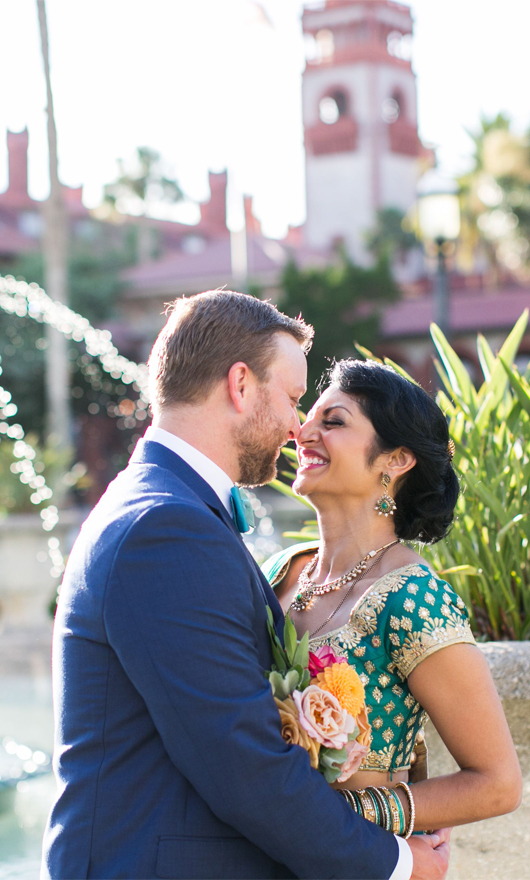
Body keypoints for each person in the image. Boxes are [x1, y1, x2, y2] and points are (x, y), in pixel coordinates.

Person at [41, 291, 450, 880]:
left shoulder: (160, 506)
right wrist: (391, 863)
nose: (296, 425)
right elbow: (242, 763)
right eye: (290, 397)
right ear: (239, 385)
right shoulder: (167, 527)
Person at [263, 358, 522, 839]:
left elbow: (497, 785)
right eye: (309, 416)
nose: (302, 431)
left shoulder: (413, 599)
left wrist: (336, 818)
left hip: (350, 862)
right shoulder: (278, 572)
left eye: (333, 421)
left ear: (396, 459)